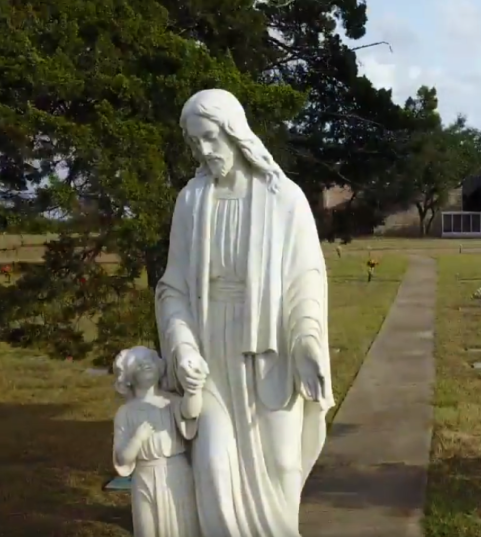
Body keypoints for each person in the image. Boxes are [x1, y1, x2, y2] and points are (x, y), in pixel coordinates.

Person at [155, 88, 334, 536]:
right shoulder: (192, 202)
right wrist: (182, 347)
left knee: (283, 462)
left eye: (211, 138)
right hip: (211, 349)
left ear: (236, 132)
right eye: (195, 143)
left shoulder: (283, 199)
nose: (205, 151)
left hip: (271, 347)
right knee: (214, 468)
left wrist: (308, 341)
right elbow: (172, 287)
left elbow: (306, 279)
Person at [112, 346, 200, 537]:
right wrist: (137, 439)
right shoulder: (125, 413)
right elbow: (122, 458)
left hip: (176, 471)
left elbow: (191, 412)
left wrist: (193, 390)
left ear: (159, 367)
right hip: (144, 477)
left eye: (148, 360)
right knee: (147, 527)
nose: (145, 364)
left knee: (182, 524)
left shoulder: (171, 402)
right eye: (137, 363)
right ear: (127, 377)